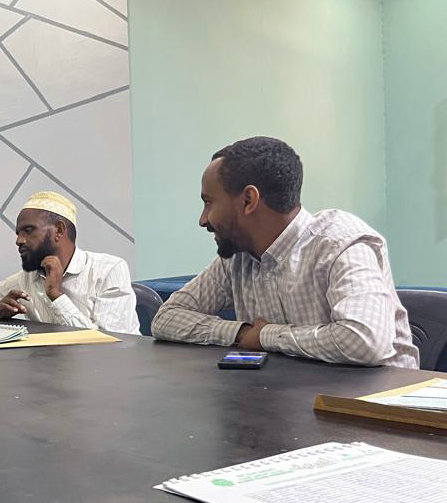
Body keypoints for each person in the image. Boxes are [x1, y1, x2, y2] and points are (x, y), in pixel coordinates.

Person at [152, 136, 417, 368]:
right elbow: (167, 318)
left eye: (209, 202)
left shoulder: (340, 243)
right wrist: (241, 333)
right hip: (289, 399)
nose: (203, 220)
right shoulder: (237, 258)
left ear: (248, 200)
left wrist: (264, 336)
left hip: (375, 406)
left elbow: (365, 341)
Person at [0, 191, 140, 333]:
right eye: (18, 233)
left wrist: (56, 295)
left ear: (59, 230)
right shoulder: (27, 278)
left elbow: (111, 344)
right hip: (49, 370)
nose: (19, 240)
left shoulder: (108, 271)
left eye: (28, 230)